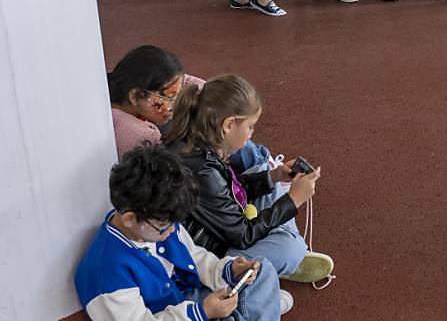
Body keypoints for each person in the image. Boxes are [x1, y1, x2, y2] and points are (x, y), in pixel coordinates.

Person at [74, 143, 290, 319]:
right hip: (174, 313)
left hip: (187, 301)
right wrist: (201, 313)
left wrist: (226, 270)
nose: (171, 232)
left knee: (262, 269)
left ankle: (253, 307)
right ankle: (255, 307)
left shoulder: (156, 220)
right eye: (165, 228)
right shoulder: (106, 273)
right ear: (130, 218)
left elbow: (194, 255)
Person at [162, 74, 335, 286]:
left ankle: (277, 257)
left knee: (267, 174)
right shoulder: (202, 171)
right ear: (228, 124)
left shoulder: (195, 145)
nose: (251, 134)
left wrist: (274, 176)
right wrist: (293, 201)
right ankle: (272, 269)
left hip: (220, 231)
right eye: (251, 126)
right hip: (214, 257)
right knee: (292, 248)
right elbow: (243, 235)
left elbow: (228, 191)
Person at [107, 45, 201, 159]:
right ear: (135, 96)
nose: (174, 104)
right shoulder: (143, 138)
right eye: (169, 98)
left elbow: (179, 81)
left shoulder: (117, 88)